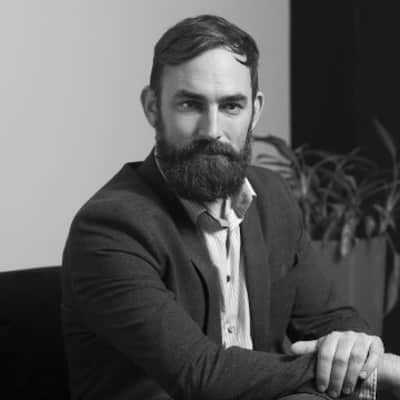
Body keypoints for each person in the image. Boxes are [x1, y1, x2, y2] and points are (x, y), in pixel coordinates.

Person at [61, 14, 400, 400]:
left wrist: (356, 350)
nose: (212, 130)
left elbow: (331, 319)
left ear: (255, 110)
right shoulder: (110, 227)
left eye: (231, 106)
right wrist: (373, 372)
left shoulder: (271, 197)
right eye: (190, 104)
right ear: (153, 107)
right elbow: (198, 374)